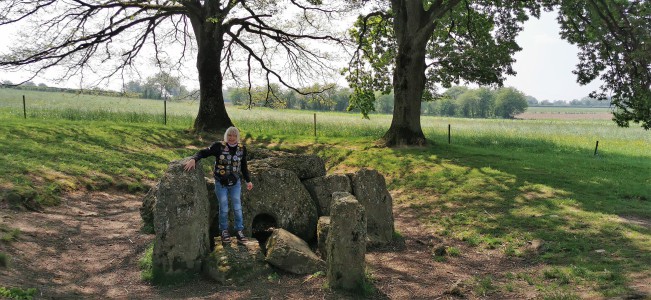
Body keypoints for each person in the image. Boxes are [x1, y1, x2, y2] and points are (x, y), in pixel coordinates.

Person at [184, 126, 253, 245]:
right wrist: (194, 159)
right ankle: (224, 231)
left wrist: (248, 181)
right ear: (226, 136)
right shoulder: (218, 146)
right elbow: (203, 152)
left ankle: (239, 231)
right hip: (221, 183)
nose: (231, 138)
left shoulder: (242, 149)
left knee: (237, 206)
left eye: (234, 135)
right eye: (229, 135)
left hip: (235, 183)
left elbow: (244, 166)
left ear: (237, 137)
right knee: (224, 207)